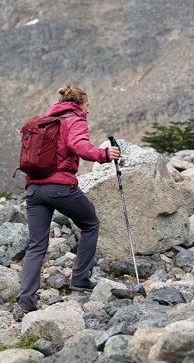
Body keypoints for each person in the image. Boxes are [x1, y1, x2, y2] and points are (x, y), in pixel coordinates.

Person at [16, 84, 120, 315]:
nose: (88, 110)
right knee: (90, 224)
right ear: (80, 104)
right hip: (60, 187)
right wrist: (104, 155)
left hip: (34, 189)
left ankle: (26, 300)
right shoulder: (75, 119)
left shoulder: (45, 121)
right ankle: (80, 278)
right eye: (87, 105)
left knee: (36, 245)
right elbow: (78, 145)